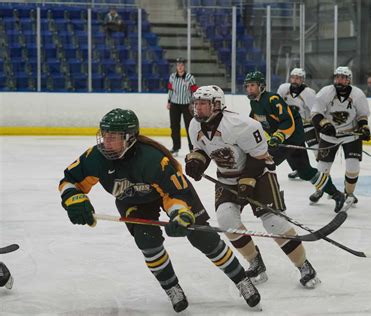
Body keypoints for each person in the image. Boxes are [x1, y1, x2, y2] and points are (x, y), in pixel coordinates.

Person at [58, 108, 261, 313]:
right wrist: (74, 199)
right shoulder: (95, 157)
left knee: (201, 236)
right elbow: (70, 180)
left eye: (113, 137)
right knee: (147, 241)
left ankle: (241, 280)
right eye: (105, 136)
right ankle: (172, 287)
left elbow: (175, 193)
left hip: (173, 195)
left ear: (129, 138)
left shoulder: (152, 160)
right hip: (133, 201)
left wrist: (180, 214)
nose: (106, 142)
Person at [185, 85, 320, 288]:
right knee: (226, 219)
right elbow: (201, 149)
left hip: (260, 174)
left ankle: (304, 266)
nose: (197, 108)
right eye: (196, 103)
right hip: (227, 177)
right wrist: (197, 162)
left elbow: (259, 156)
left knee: (273, 221)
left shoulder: (242, 125)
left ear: (217, 105)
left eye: (203, 103)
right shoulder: (195, 125)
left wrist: (247, 182)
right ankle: (255, 262)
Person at [244, 71, 346, 213]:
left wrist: (278, 137)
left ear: (261, 86)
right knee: (305, 171)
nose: (249, 89)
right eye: (248, 86)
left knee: (265, 164)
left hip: (291, 137)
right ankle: (336, 194)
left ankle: (275, 202)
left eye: (253, 85)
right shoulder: (254, 102)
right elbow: (255, 123)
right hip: (285, 139)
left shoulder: (272, 99)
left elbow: (288, 121)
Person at [311, 66, 371, 204]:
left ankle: (349, 193)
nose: (339, 80)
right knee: (322, 169)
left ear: (349, 80)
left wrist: (364, 128)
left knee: (353, 167)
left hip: (351, 135)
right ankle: (320, 190)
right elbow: (316, 113)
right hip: (329, 136)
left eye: (343, 78)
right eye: (337, 77)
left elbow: (362, 115)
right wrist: (325, 125)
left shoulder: (358, 94)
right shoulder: (325, 92)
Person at [276, 68, 319, 188]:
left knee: (316, 148)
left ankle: (322, 167)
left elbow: (315, 110)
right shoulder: (283, 89)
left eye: (298, 78)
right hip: (290, 126)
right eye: (293, 77)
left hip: (306, 125)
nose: (295, 80)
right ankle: (298, 169)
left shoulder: (309, 93)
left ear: (303, 80)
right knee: (290, 148)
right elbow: (277, 105)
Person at [167, 58, 198, 156]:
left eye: (181, 65)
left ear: (184, 66)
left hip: (187, 105)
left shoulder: (190, 78)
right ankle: (175, 148)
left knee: (190, 127)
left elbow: (194, 91)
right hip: (174, 104)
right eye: (178, 65)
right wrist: (169, 101)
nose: (180, 67)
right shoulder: (172, 77)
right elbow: (170, 90)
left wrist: (194, 104)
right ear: (176, 67)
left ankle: (192, 148)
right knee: (174, 126)